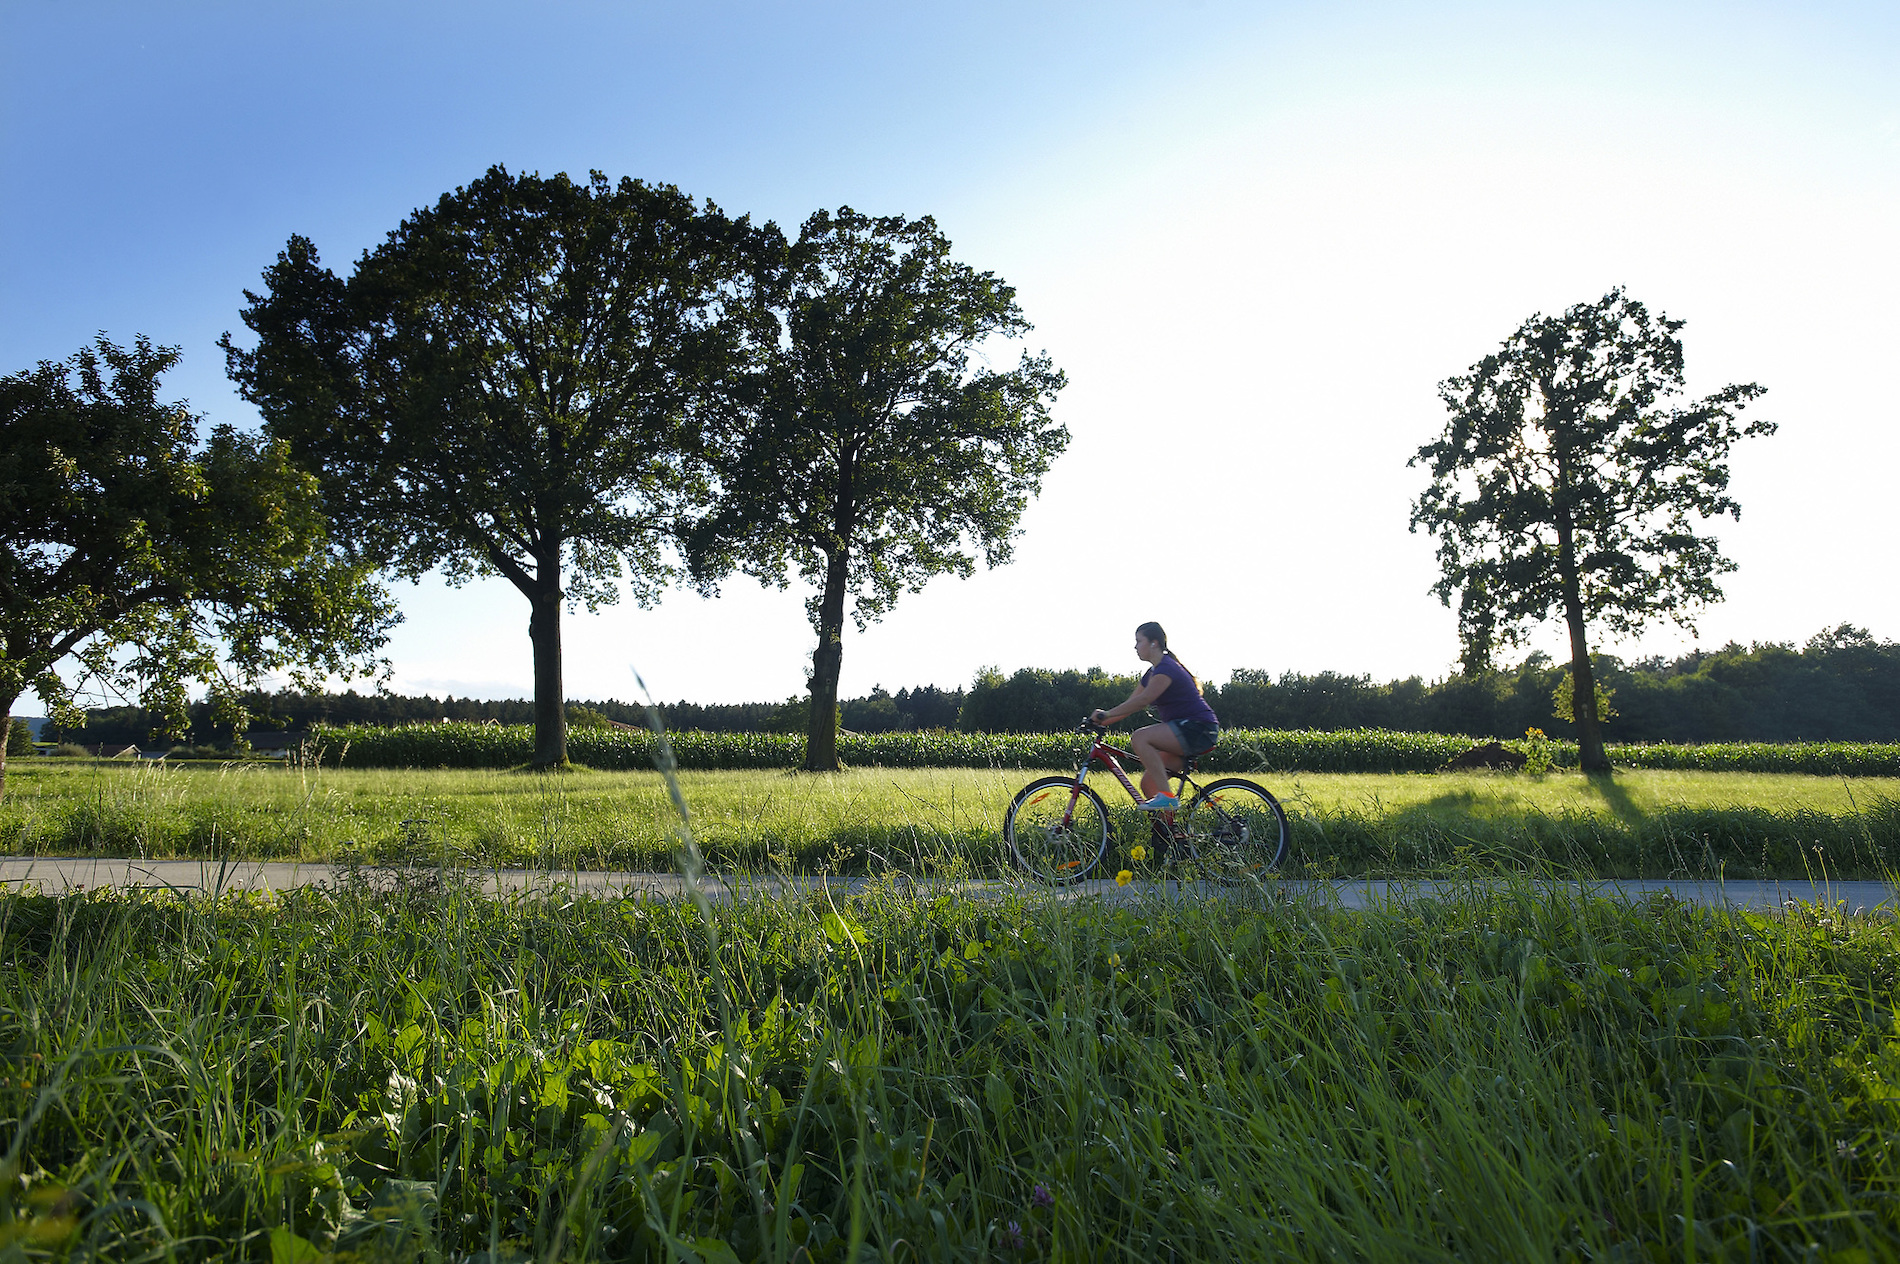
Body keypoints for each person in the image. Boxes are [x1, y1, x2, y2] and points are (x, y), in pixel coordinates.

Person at [1090, 621, 1220, 811]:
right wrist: (1097, 721)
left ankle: (1167, 797)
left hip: (1198, 728)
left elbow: (1143, 700)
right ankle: (1170, 834)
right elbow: (1129, 706)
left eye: (1138, 641)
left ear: (1154, 643)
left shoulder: (1167, 668)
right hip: (1185, 731)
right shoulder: (1151, 674)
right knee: (1149, 784)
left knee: (1140, 737)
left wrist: (1105, 714)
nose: (1135, 646)